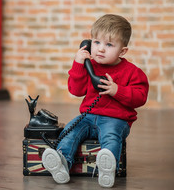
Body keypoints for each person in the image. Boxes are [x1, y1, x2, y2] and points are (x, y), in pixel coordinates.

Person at [41, 14, 149, 188]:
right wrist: (78, 64)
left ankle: (107, 167)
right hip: (88, 116)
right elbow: (76, 91)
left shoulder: (132, 72)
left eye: (109, 45)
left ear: (122, 51)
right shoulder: (89, 65)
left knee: (111, 137)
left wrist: (117, 90)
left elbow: (140, 97)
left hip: (115, 120)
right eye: (96, 42)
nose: (100, 49)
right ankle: (62, 162)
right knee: (70, 130)